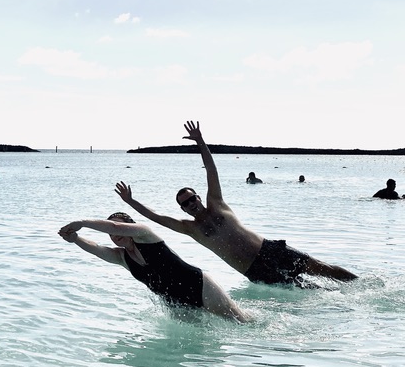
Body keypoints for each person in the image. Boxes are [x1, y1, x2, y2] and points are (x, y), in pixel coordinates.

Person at [115, 120, 357, 287]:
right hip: (254, 270)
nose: (191, 204)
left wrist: (200, 141)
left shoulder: (217, 204)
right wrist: (131, 201)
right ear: (183, 209)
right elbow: (155, 217)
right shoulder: (190, 228)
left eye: (192, 199)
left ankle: (361, 284)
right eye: (185, 204)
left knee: (323, 269)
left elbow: (211, 170)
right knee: (306, 292)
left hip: (270, 250)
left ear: (199, 197)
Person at [58, 213, 251, 322]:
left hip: (200, 286)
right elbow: (98, 249)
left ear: (130, 228)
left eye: (117, 227)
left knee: (240, 323)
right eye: (110, 231)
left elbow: (114, 227)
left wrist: (82, 223)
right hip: (175, 304)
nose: (113, 233)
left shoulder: (145, 234)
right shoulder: (122, 257)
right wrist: (75, 239)